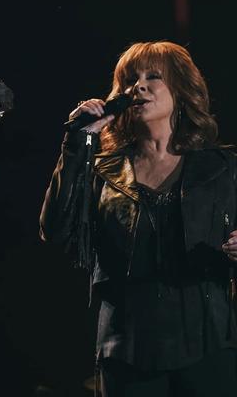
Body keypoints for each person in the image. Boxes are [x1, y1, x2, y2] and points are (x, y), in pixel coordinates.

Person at [40, 41, 237, 397]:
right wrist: (78, 142)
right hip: (127, 349)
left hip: (209, 343)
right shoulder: (102, 171)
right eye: (130, 80)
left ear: (181, 89)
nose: (139, 86)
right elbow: (55, 229)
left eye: (153, 77)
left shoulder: (222, 168)